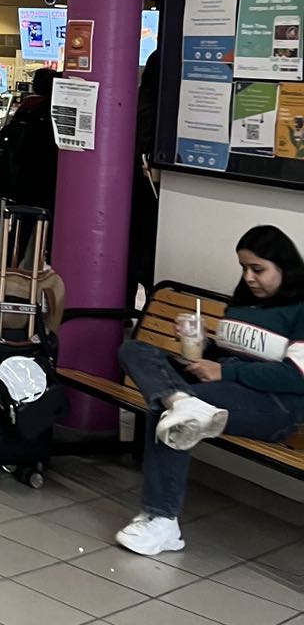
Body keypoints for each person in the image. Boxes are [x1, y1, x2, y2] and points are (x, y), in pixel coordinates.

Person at [115, 226, 304, 557]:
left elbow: (297, 377)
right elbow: (230, 357)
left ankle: (162, 520)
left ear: (284, 267)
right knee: (135, 351)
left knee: (173, 415)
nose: (249, 277)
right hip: (224, 389)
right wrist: (205, 346)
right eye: (244, 268)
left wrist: (225, 370)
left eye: (258, 269)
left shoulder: (300, 309)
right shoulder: (244, 304)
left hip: (276, 408)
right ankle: (180, 400)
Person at [0, 66, 59, 263]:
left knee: (20, 231)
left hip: (19, 180)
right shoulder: (50, 111)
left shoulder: (24, 109)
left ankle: (9, 269)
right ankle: (32, 274)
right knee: (41, 230)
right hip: (44, 182)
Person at [129, 51, 162, 300]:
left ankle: (124, 309)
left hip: (128, 190)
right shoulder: (161, 108)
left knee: (129, 258)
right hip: (149, 189)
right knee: (148, 256)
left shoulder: (134, 101)